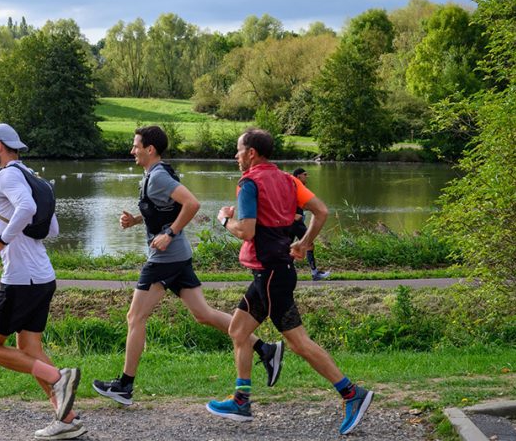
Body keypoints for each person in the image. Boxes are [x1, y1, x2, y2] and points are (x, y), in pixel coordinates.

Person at [92, 125, 284, 406]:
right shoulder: (152, 176)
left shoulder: (158, 176)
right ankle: (265, 349)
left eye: (136, 146)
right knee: (203, 314)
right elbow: (164, 210)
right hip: (177, 256)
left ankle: (124, 385)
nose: (132, 150)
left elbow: (192, 204)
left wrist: (169, 234)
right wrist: (135, 220)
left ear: (150, 149)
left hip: (165, 258)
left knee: (135, 317)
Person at [206, 129, 373, 435]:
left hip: (271, 274)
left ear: (252, 153)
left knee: (299, 342)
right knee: (238, 329)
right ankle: (241, 400)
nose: (236, 156)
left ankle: (352, 394)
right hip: (273, 273)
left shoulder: (249, 183)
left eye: (239, 150)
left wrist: (223, 220)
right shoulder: (287, 180)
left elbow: (246, 232)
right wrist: (304, 243)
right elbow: (321, 211)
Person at [0, 123, 85, 440]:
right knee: (29, 347)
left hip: (21, 280)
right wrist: (2, 229)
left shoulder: (7, 175)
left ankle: (58, 376)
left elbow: (26, 208)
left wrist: (3, 242)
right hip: (41, 276)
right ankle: (67, 418)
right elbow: (50, 229)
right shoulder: (33, 176)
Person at [291, 167, 330, 281]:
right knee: (308, 245)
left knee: (288, 247)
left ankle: (282, 271)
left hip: (292, 222)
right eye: (305, 174)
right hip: (295, 223)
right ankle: (314, 273)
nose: (306, 177)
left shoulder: (293, 185)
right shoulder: (295, 186)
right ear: (298, 176)